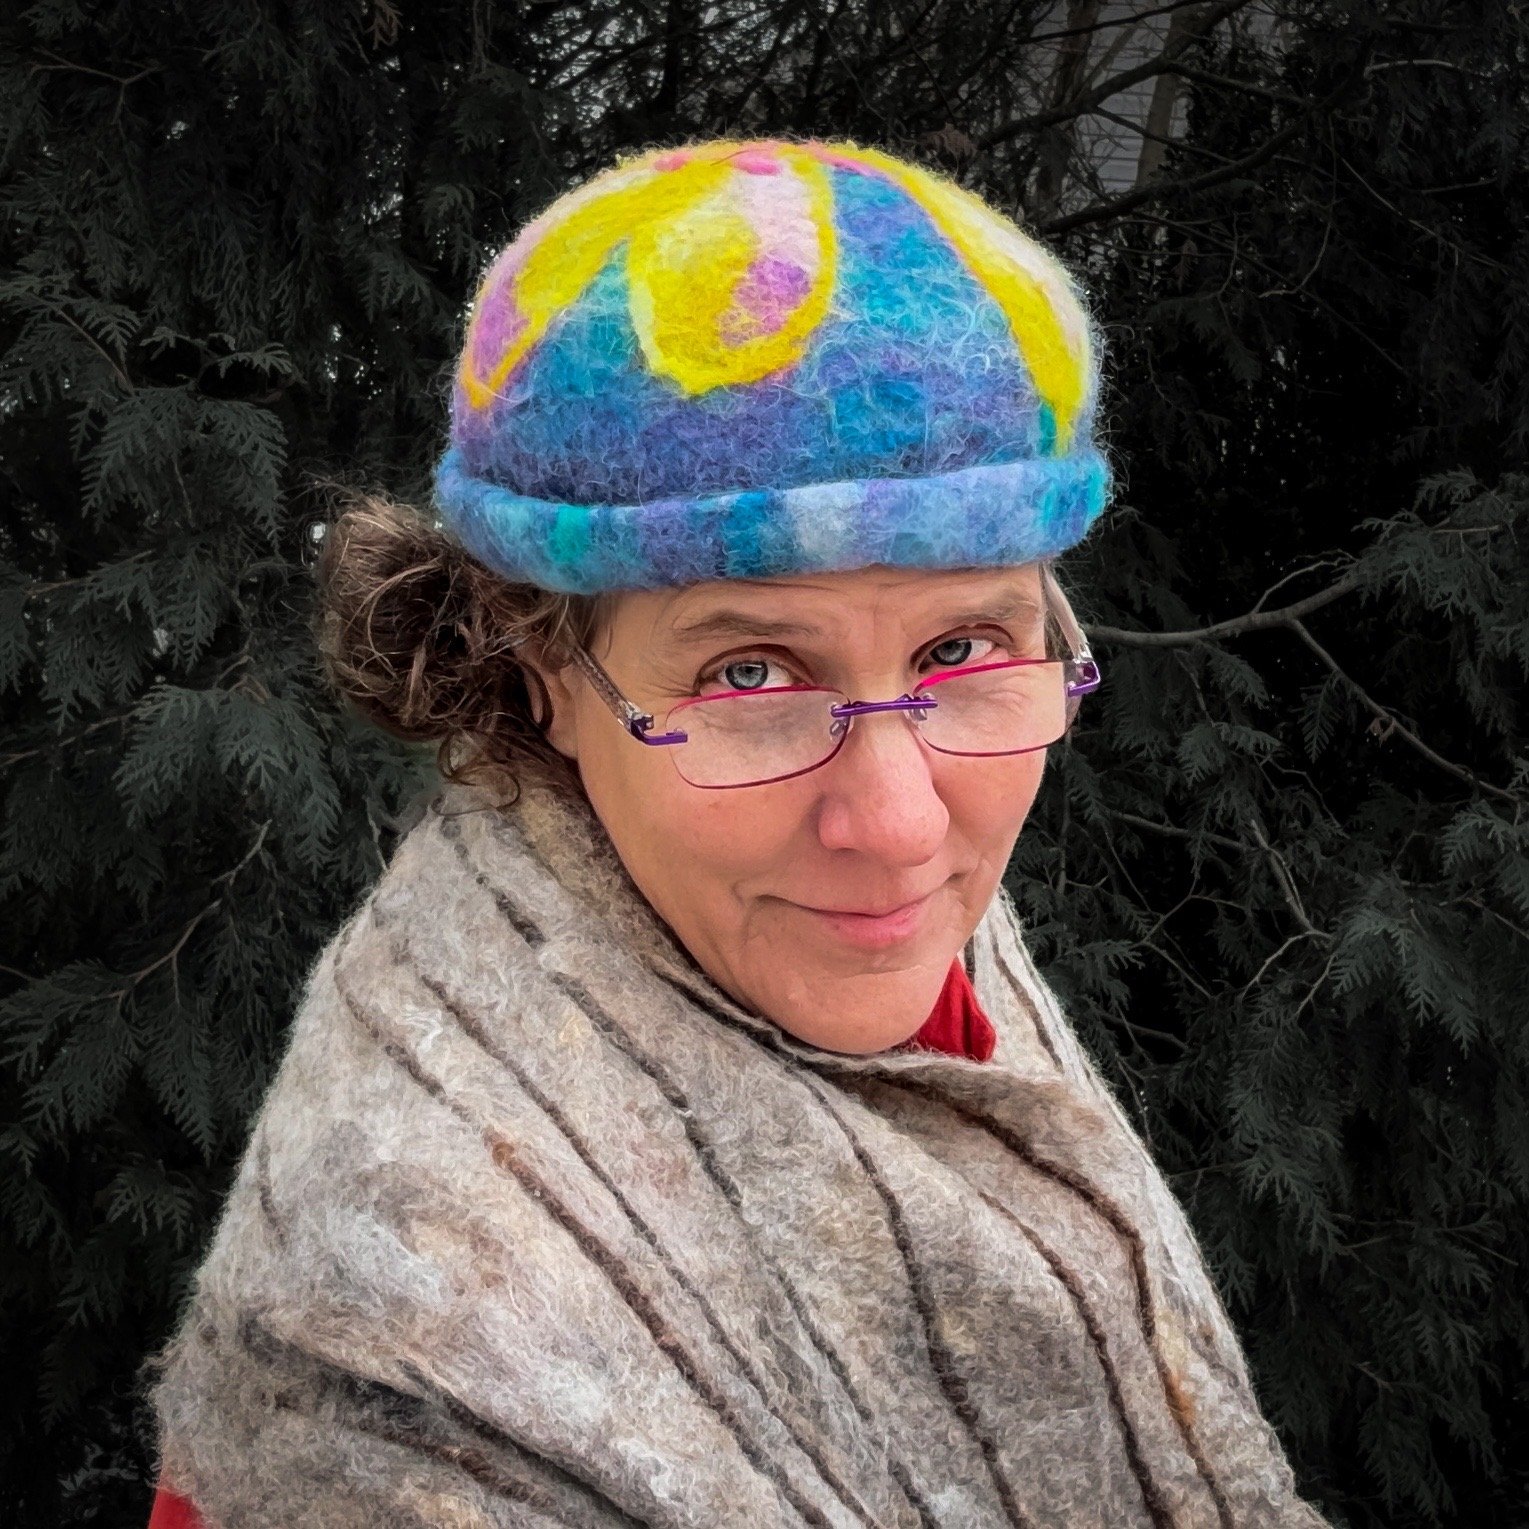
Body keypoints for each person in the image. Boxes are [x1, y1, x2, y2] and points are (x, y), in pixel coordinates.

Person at [144, 136, 1330, 1527]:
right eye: (749, 673)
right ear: (537, 665)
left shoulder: (799, 917)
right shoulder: (406, 1361)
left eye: (962, 645)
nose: (896, 827)